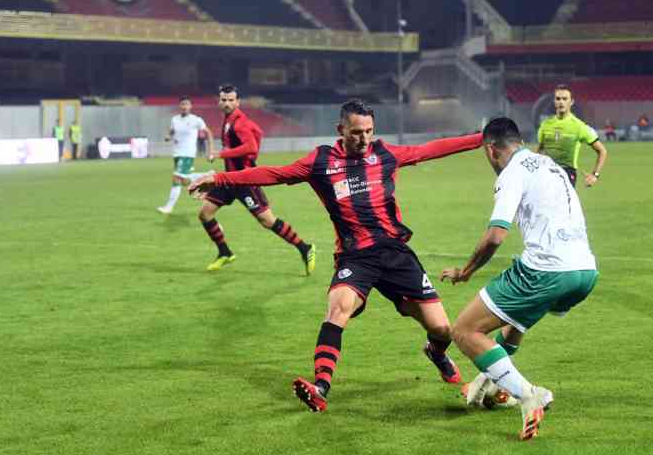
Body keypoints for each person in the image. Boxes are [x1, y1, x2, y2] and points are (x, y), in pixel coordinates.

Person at [187, 98, 483, 412]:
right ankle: (321, 387)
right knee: (338, 309)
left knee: (441, 329)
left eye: (369, 131)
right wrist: (218, 178)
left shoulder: (385, 154)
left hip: (395, 252)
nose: (364, 138)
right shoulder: (321, 161)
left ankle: (436, 353)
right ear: (340, 129)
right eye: (357, 132)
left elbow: (431, 149)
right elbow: (274, 173)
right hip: (355, 256)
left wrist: (480, 139)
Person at [440, 117, 599, 441]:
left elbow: (496, 235)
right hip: (584, 272)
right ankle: (488, 383)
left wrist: (465, 272)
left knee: (465, 331)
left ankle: (528, 395)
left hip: (547, 269)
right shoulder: (548, 164)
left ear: (490, 149)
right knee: (517, 320)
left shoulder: (513, 172)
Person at [197, 84, 315, 274]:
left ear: (238, 102)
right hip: (228, 179)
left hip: (245, 180)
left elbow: (250, 146)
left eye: (230, 100)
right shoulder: (229, 120)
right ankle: (225, 252)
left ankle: (305, 248)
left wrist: (222, 154)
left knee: (267, 221)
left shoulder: (239, 122)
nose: (227, 103)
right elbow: (258, 132)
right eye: (224, 100)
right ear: (220, 101)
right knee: (205, 213)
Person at [537, 84, 607, 188]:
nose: (561, 102)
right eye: (558, 99)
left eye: (565, 99)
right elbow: (540, 150)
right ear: (554, 101)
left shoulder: (579, 126)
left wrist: (595, 175)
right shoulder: (545, 125)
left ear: (571, 102)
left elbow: (602, 151)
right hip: (546, 173)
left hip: (567, 173)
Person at [158, 96, 214, 214]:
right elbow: (172, 130)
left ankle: (169, 207)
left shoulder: (196, 120)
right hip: (177, 153)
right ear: (180, 106)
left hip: (187, 154)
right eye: (182, 104)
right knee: (184, 180)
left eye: (187, 104)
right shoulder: (175, 119)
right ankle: (207, 175)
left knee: (176, 178)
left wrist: (210, 151)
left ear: (190, 106)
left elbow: (208, 133)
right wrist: (169, 136)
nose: (184, 107)